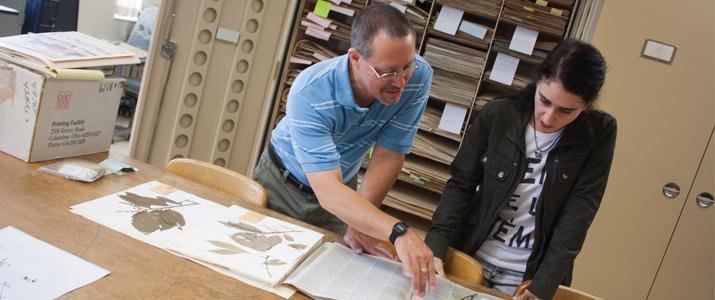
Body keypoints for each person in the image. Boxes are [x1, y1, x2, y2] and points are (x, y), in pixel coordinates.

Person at [252, 4, 436, 296]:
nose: (400, 83)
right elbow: (327, 190)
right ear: (355, 58)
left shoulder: (419, 76)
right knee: (257, 276)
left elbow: (389, 154)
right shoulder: (309, 90)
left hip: (343, 189)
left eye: (406, 67)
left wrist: (360, 220)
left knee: (319, 286)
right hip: (281, 183)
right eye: (388, 72)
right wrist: (398, 231)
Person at [425, 38, 616, 300]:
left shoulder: (599, 133)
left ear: (587, 105)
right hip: (470, 255)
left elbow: (578, 217)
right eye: (544, 101)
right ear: (538, 80)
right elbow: (461, 185)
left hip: (528, 274)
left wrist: (542, 287)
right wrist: (435, 247)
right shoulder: (499, 114)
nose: (549, 118)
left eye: (566, 111)